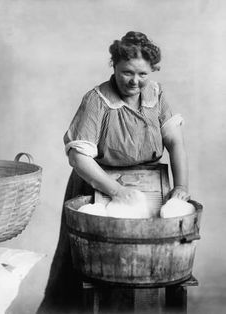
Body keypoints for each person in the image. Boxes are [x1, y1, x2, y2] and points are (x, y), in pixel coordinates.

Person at [37, 31, 190, 313]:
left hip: (149, 185)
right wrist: (118, 192)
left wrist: (181, 187)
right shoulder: (97, 100)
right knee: (90, 268)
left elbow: (175, 141)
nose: (134, 81)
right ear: (114, 66)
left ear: (152, 70)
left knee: (145, 261)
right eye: (126, 73)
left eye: (142, 74)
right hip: (99, 186)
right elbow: (78, 158)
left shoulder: (156, 95)